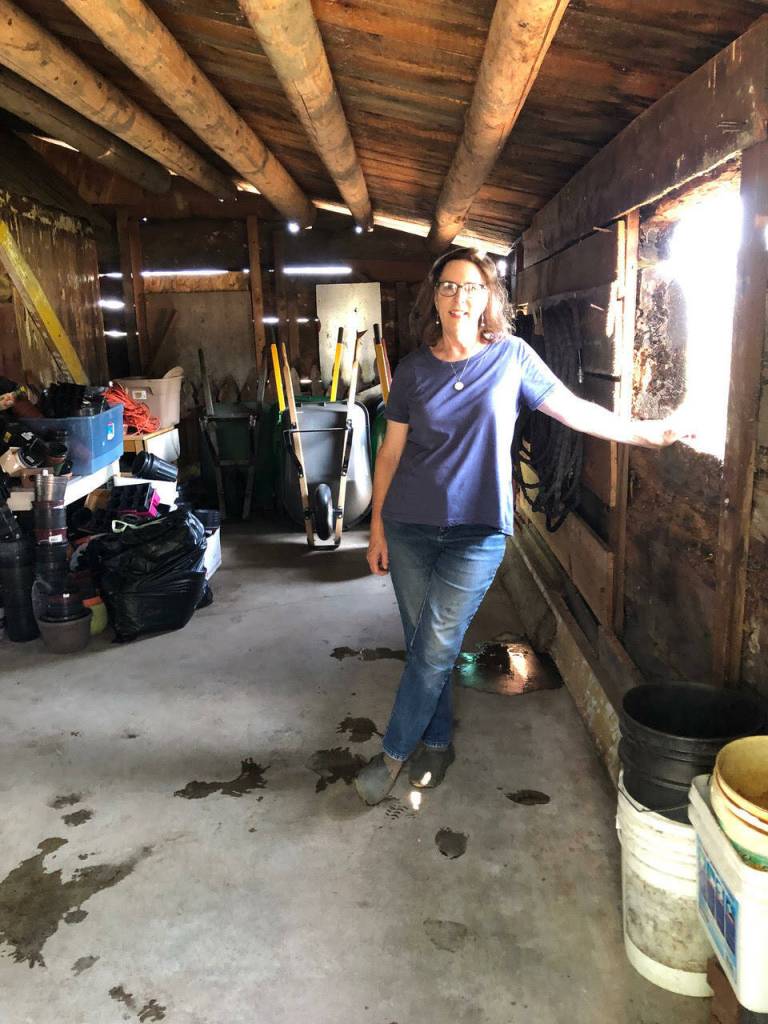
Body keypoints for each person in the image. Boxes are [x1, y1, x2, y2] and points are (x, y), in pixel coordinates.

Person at [354, 247, 691, 806]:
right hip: (410, 525)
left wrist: (648, 434)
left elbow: (573, 410)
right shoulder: (413, 371)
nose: (458, 298)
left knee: (437, 644)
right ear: (433, 297)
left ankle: (391, 755)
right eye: (447, 287)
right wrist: (378, 528)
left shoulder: (512, 357)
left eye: (471, 287)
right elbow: (390, 454)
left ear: (487, 297)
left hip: (477, 530)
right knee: (424, 645)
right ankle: (436, 743)